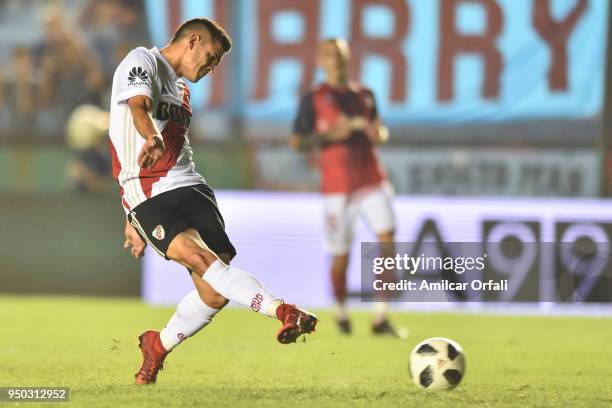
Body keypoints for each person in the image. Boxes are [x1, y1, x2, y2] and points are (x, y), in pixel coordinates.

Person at [108, 18, 318, 385]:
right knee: (200, 260)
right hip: (150, 192)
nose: (212, 67)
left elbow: (173, 141)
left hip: (193, 188)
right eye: (211, 56)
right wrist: (149, 142)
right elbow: (137, 107)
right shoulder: (141, 60)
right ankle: (283, 310)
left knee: (214, 292)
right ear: (192, 41)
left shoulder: (182, 91)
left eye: (218, 62)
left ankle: (157, 345)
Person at [291, 38, 398, 336]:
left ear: (348, 58)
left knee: (387, 241)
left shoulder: (364, 95)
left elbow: (379, 128)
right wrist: (328, 136)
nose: (335, 59)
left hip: (372, 179)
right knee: (341, 257)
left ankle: (380, 317)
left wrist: (379, 133)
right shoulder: (313, 98)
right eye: (329, 54)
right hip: (337, 187)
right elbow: (298, 141)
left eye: (339, 54)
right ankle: (340, 310)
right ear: (320, 61)